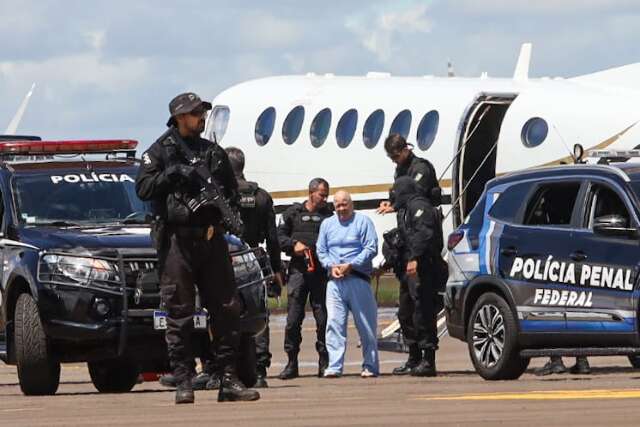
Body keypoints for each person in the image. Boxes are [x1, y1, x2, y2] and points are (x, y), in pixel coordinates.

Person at [136, 92, 259, 404]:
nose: (201, 118)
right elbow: (143, 188)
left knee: (228, 309)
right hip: (177, 241)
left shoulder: (213, 153)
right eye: (194, 113)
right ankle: (183, 380)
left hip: (210, 238)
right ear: (179, 117)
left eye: (202, 112)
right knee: (179, 312)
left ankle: (227, 378)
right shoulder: (159, 151)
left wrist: (227, 215)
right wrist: (173, 174)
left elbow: (231, 192)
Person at [225, 146, 284, 388]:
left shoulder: (223, 195)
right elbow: (273, 238)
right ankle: (259, 370)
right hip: (255, 258)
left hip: (226, 257)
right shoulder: (262, 197)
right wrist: (277, 270)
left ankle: (219, 367)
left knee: (220, 313)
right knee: (257, 311)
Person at [316, 191, 379, 378]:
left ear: (351, 204)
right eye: (338, 205)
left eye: (345, 204)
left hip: (358, 278)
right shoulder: (327, 224)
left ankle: (370, 365)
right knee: (334, 324)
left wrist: (352, 264)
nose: (342, 208)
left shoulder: (363, 222)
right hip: (335, 282)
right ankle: (335, 366)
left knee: (366, 326)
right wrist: (330, 265)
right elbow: (321, 249)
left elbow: (371, 247)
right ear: (333, 206)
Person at [277, 178, 333, 379]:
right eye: (322, 194)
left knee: (322, 318)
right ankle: (292, 363)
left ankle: (324, 362)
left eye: (326, 195)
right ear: (311, 193)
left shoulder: (329, 215)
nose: (325, 199)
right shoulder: (293, 213)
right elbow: (278, 237)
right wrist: (293, 246)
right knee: (293, 319)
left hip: (320, 272)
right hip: (298, 271)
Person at [391, 176, 447, 377]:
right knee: (405, 313)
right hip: (409, 269)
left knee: (423, 312)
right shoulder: (406, 210)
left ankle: (428, 359)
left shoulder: (419, 206)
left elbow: (425, 234)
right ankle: (413, 356)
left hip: (423, 267)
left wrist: (415, 258)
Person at [377, 133, 440, 215]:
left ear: (405, 150)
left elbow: (416, 193)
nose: (393, 160)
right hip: (408, 219)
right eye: (391, 157)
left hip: (423, 218)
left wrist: (395, 206)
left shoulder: (421, 168)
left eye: (396, 156)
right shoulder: (401, 169)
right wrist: (391, 202)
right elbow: (400, 192)